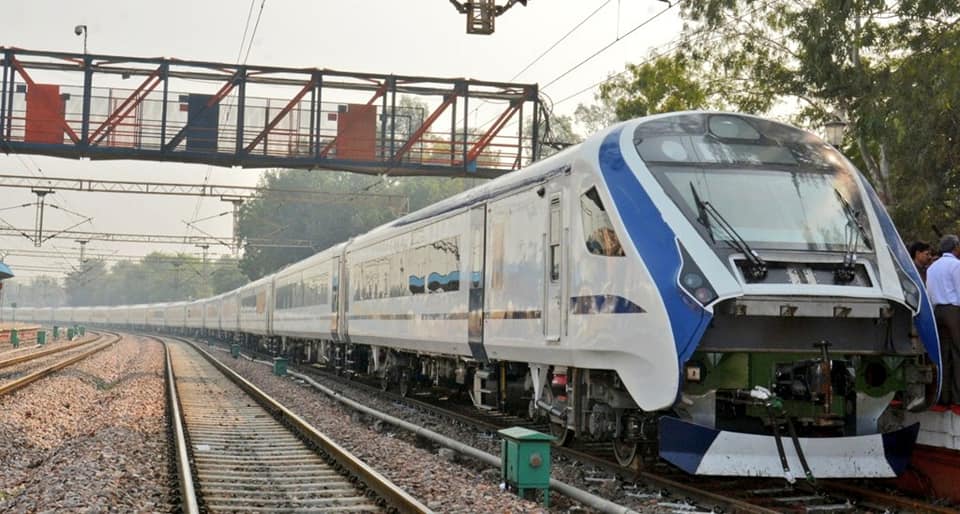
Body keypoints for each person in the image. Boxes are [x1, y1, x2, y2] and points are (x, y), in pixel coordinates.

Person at [925, 235, 960, 406]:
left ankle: (943, 396)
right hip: (953, 310)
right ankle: (957, 397)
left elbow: (929, 292)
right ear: (955, 247)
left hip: (937, 311)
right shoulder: (956, 265)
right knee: (958, 353)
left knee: (943, 355)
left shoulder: (932, 268)